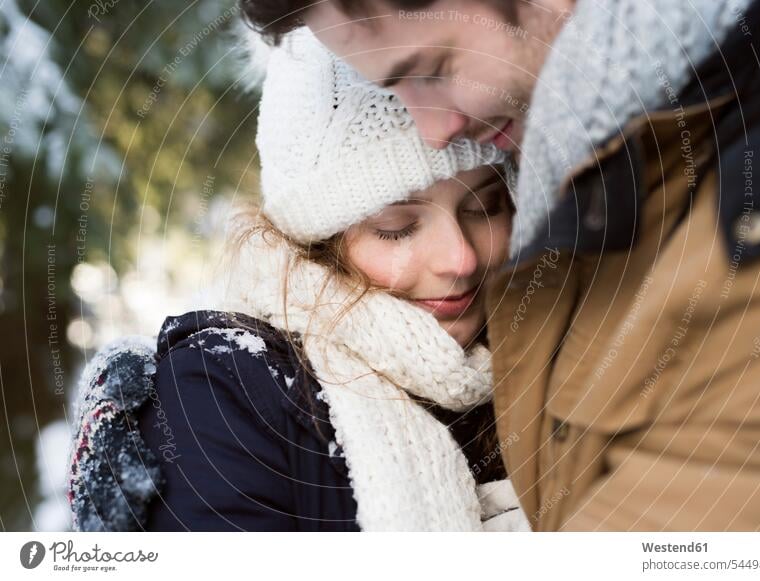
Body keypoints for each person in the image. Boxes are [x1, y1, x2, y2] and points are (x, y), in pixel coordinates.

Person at [239, 0, 760, 530]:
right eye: (395, 227)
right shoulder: (236, 389)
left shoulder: (748, 207)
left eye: (433, 68)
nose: (434, 130)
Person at [67, 27, 529, 532]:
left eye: (485, 206)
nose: (460, 259)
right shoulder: (224, 395)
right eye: (396, 228)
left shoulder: (551, 348)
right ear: (319, 242)